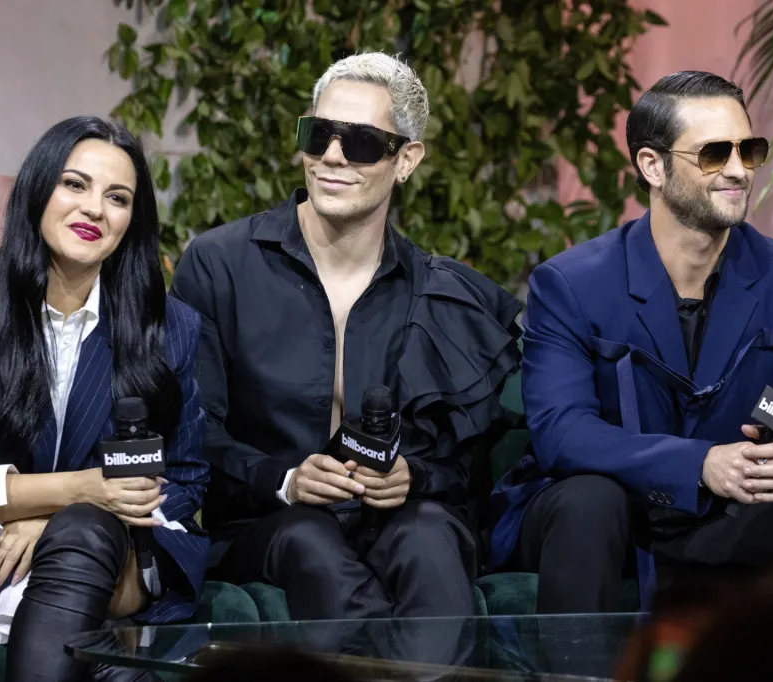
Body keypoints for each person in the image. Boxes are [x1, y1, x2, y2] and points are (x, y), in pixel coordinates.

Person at [488, 71, 773, 614]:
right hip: (624, 508)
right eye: (713, 154)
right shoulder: (571, 283)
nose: (738, 170)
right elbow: (563, 432)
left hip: (736, 510)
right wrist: (698, 463)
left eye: (749, 150)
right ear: (652, 166)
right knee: (589, 501)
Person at [170, 52, 521, 621]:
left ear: (406, 160)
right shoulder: (220, 264)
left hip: (399, 518)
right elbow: (193, 430)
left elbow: (464, 464)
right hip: (269, 520)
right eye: (318, 135)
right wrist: (286, 479)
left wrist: (413, 476)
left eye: (360, 142)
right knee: (311, 542)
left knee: (432, 540)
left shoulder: (437, 291)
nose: (331, 156)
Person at [0, 116, 209, 681]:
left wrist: (53, 524)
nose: (94, 209)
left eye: (117, 198)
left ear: (132, 220)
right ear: (37, 189)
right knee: (113, 667)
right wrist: (75, 493)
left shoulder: (168, 326)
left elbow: (183, 478)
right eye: (74, 184)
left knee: (83, 535)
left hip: (119, 559)